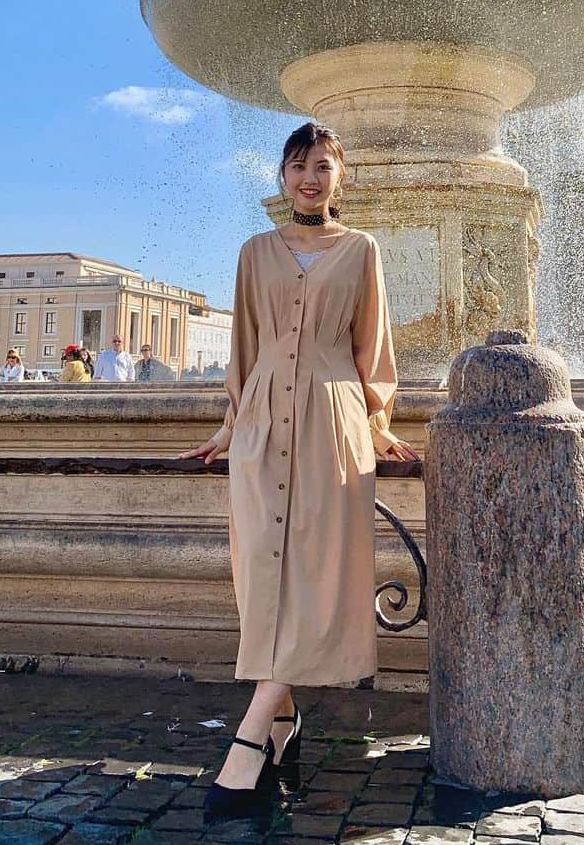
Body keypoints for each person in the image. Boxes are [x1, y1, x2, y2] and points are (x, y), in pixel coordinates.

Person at [182, 120, 418, 823]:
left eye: (321, 167)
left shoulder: (362, 250)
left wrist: (377, 423)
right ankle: (280, 722)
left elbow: (372, 345)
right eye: (298, 166)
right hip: (259, 426)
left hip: (332, 424)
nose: (309, 178)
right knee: (263, 574)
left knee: (315, 574)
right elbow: (244, 349)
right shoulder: (255, 252)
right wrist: (231, 425)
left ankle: (251, 739)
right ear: (281, 176)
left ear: (339, 177)